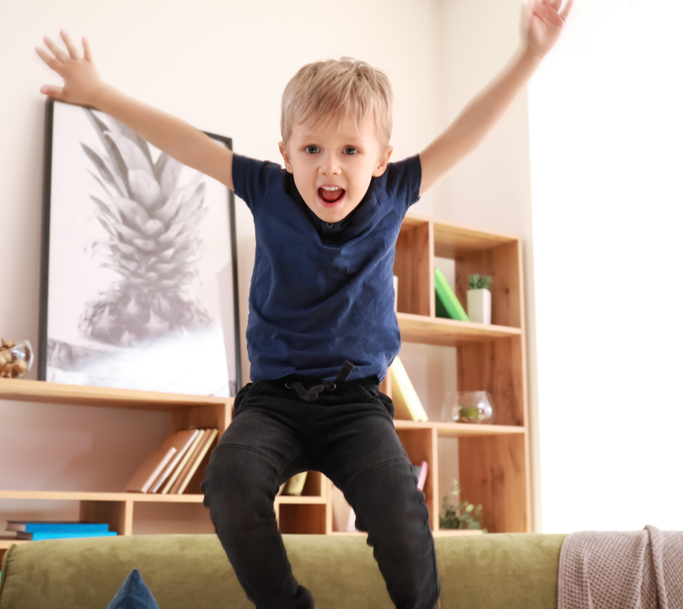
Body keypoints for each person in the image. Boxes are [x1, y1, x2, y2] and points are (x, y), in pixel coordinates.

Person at [36, 1, 572, 607]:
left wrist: (529, 55)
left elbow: (470, 128)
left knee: (400, 509)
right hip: (274, 402)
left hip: (357, 406)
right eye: (312, 149)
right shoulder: (268, 189)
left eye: (350, 150)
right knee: (230, 483)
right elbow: (183, 142)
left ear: (381, 157)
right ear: (286, 152)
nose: (330, 166)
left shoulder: (395, 192)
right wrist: (101, 92)